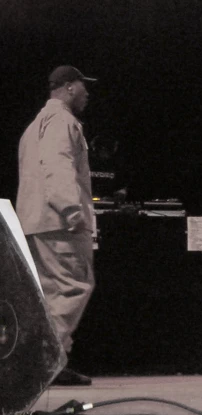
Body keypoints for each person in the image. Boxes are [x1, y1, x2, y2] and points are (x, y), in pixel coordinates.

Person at [16, 65, 98, 386]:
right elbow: (57, 165)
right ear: (67, 88)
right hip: (58, 219)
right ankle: (45, 360)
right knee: (72, 286)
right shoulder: (61, 121)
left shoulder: (33, 126)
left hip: (36, 220)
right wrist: (72, 211)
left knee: (51, 293)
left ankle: (52, 362)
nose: (87, 93)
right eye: (83, 86)